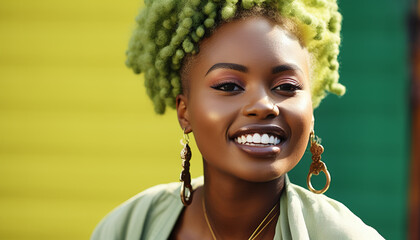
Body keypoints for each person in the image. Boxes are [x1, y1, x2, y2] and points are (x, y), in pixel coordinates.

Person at [92, 0, 384, 239]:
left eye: (286, 87)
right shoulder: (128, 227)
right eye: (229, 86)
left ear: (311, 109)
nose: (263, 106)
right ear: (185, 112)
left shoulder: (344, 235)